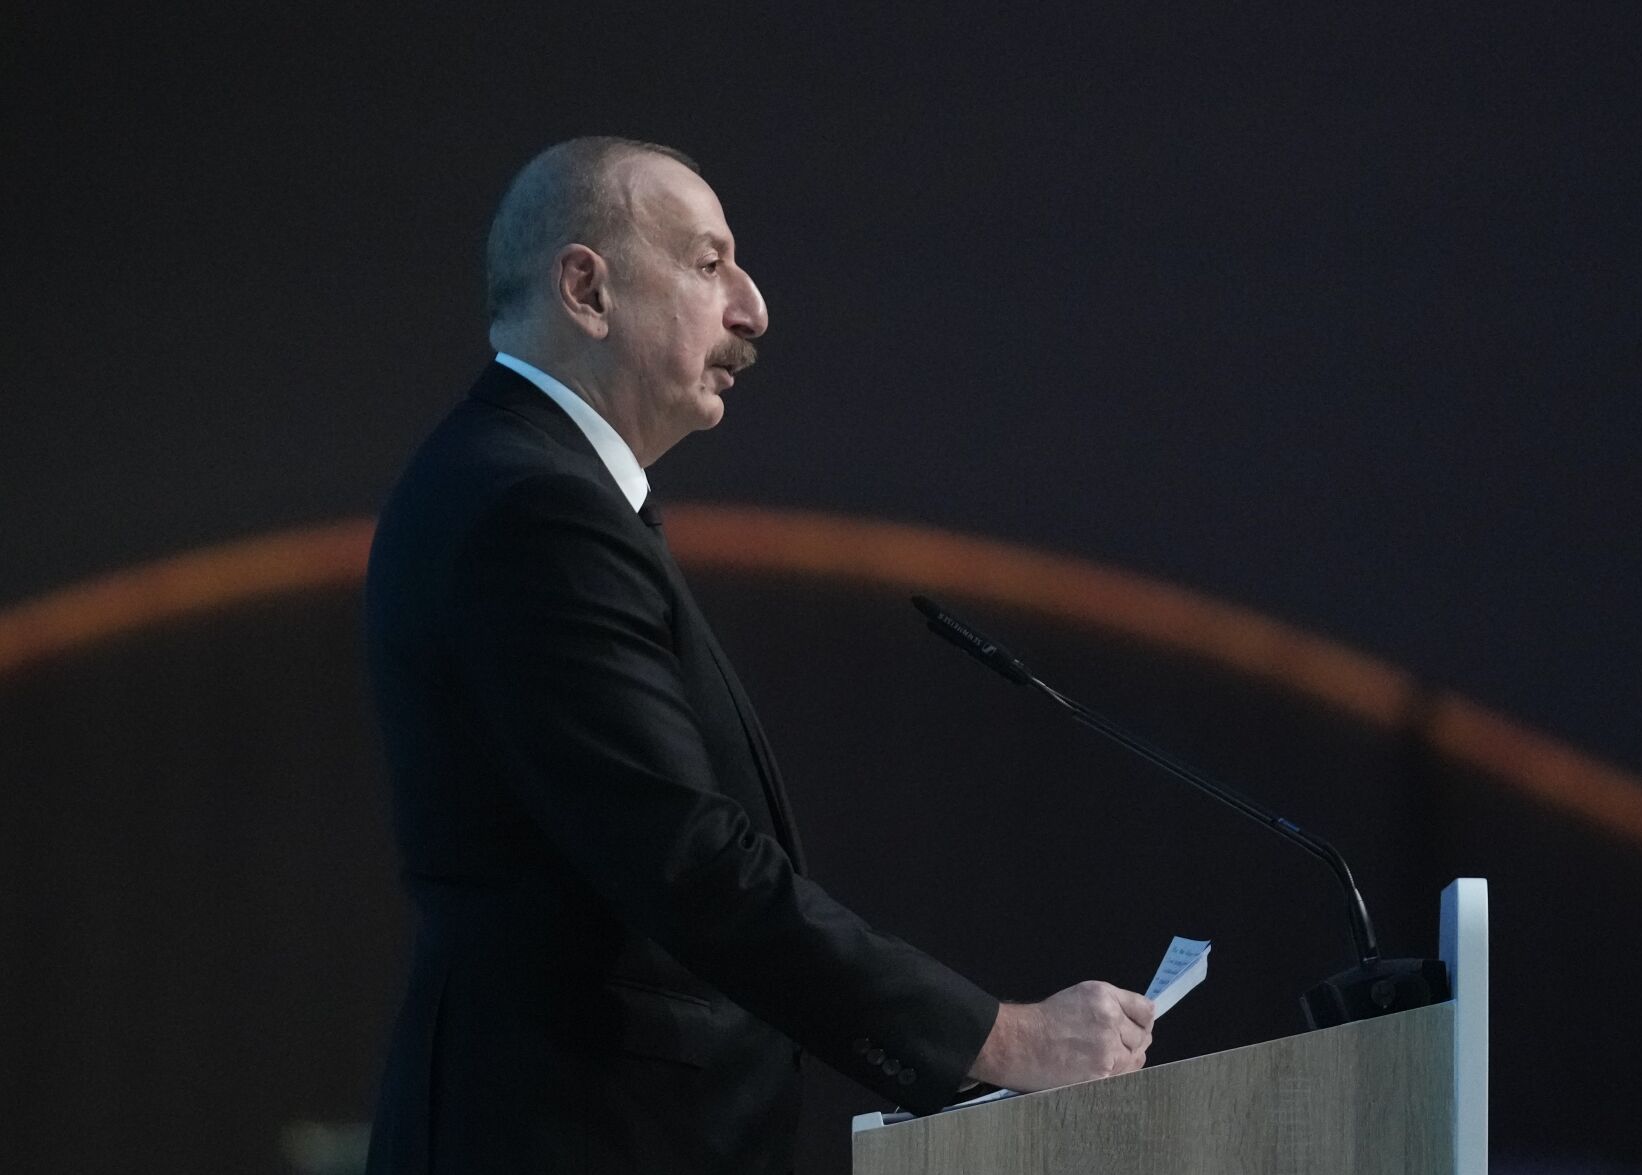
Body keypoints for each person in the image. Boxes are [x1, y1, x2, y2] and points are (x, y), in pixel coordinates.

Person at [361, 135, 1154, 1174]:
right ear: (585, 288)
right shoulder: (532, 509)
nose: (752, 307)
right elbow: (688, 863)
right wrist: (1003, 1037)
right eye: (705, 262)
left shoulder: (520, 484)